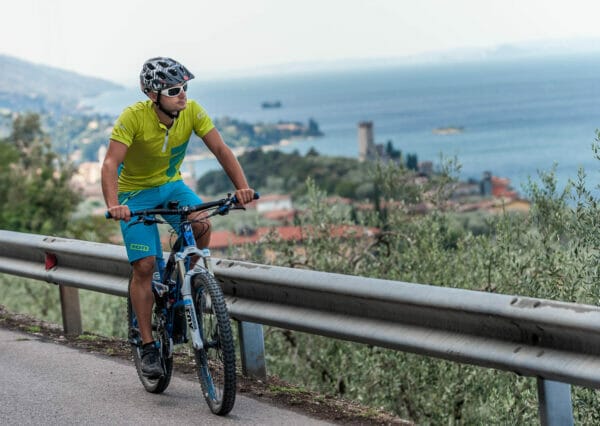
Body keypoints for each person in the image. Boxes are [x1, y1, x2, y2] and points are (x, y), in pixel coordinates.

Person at [101, 57, 255, 378]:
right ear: (151, 94)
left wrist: (242, 188)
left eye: (184, 87)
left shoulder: (192, 112)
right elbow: (110, 164)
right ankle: (146, 345)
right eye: (173, 90)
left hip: (172, 187)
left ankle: (193, 285)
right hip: (134, 195)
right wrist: (115, 204)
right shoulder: (133, 118)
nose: (182, 95)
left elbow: (221, 150)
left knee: (201, 223)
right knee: (144, 266)